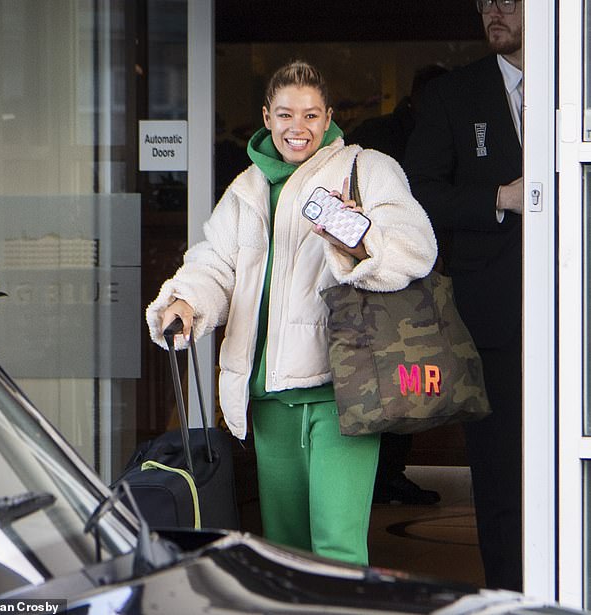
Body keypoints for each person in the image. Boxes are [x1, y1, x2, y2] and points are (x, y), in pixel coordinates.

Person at [147, 60, 437, 567]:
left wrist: (351, 231)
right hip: (268, 394)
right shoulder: (246, 188)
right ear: (266, 116)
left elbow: (415, 248)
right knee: (285, 553)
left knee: (337, 549)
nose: (297, 128)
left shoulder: (366, 168)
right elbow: (214, 262)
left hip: (343, 389)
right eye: (285, 114)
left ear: (328, 118)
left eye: (309, 115)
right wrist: (186, 302)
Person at [403, 0, 523, 591]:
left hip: (574, 317)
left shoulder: (578, 79)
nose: (494, 11)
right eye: (485, 2)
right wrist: (498, 198)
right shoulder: (456, 94)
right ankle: (508, 596)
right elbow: (418, 195)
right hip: (491, 321)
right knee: (500, 476)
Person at [349, 64, 449, 507]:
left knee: (408, 379)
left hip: (418, 264)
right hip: (373, 272)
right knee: (385, 377)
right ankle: (381, 475)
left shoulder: (424, 130)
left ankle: (390, 473)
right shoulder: (380, 141)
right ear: (415, 97)